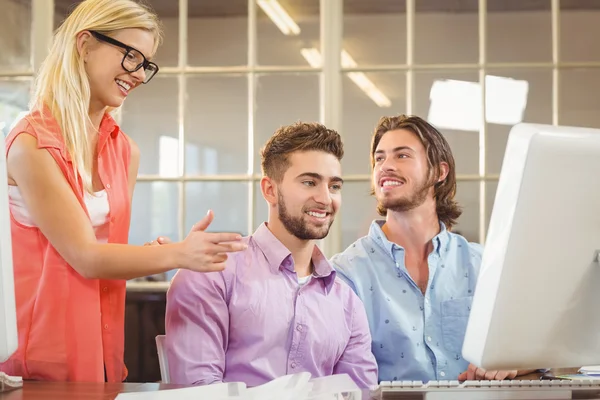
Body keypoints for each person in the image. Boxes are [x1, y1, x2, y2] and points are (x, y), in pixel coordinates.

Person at [0, 0, 245, 383]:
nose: (137, 74)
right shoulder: (31, 144)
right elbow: (85, 256)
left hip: (101, 354)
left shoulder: (124, 150)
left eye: (145, 64)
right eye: (130, 56)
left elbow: (101, 253)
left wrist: (150, 255)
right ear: (84, 45)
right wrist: (177, 253)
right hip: (37, 363)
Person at [164, 122, 378, 388]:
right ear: (270, 190)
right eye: (310, 182)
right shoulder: (211, 273)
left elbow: (358, 394)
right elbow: (198, 391)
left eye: (334, 186)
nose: (325, 198)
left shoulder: (347, 303)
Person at [330, 115, 535, 382]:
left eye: (402, 156)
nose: (386, 166)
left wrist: (513, 365)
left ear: (440, 172)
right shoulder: (346, 274)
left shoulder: (483, 264)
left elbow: (535, 349)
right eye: (379, 158)